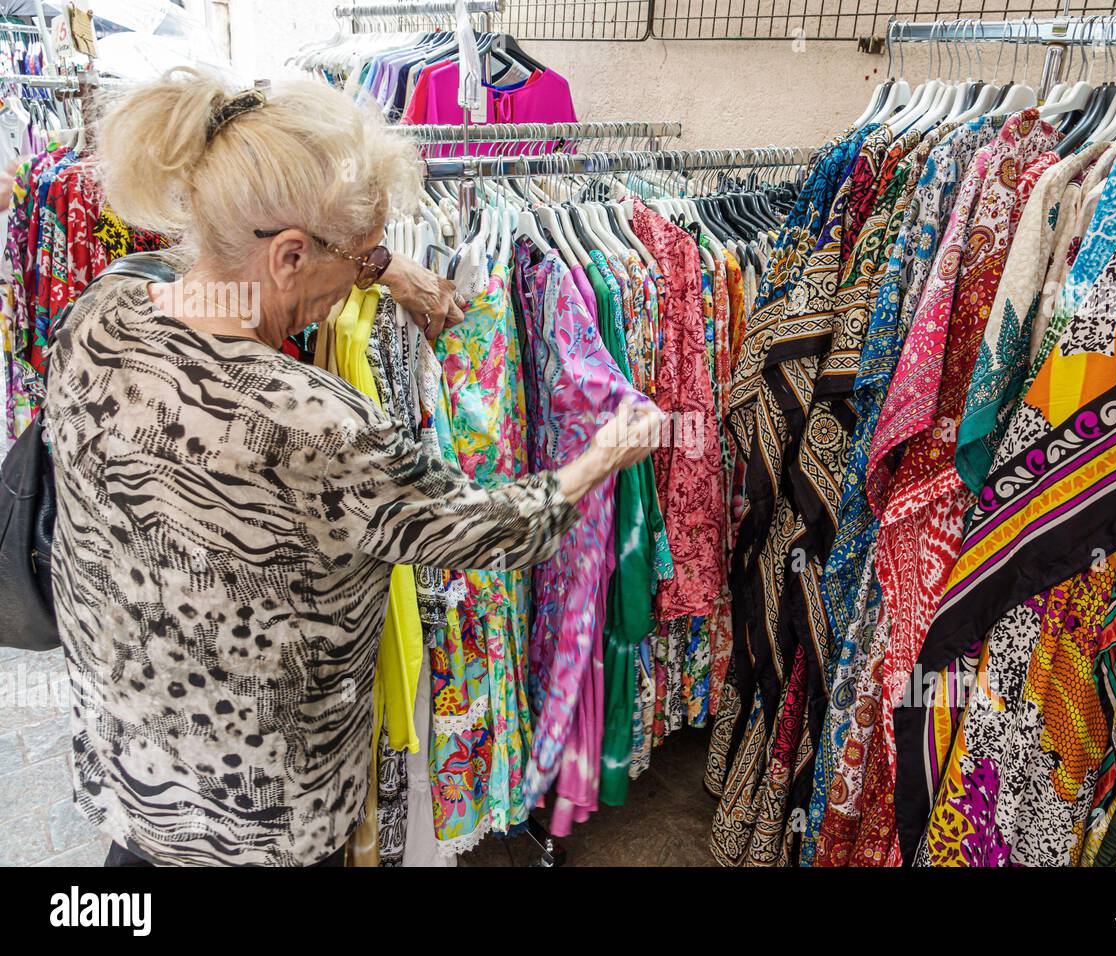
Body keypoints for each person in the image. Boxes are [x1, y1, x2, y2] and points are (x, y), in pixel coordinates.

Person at [42, 68, 662, 867]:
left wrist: (384, 268)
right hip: (262, 818)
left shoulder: (102, 311)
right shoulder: (317, 425)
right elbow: (487, 531)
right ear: (290, 255)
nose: (354, 285)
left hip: (132, 773)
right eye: (358, 259)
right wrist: (605, 455)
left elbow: (200, 291)